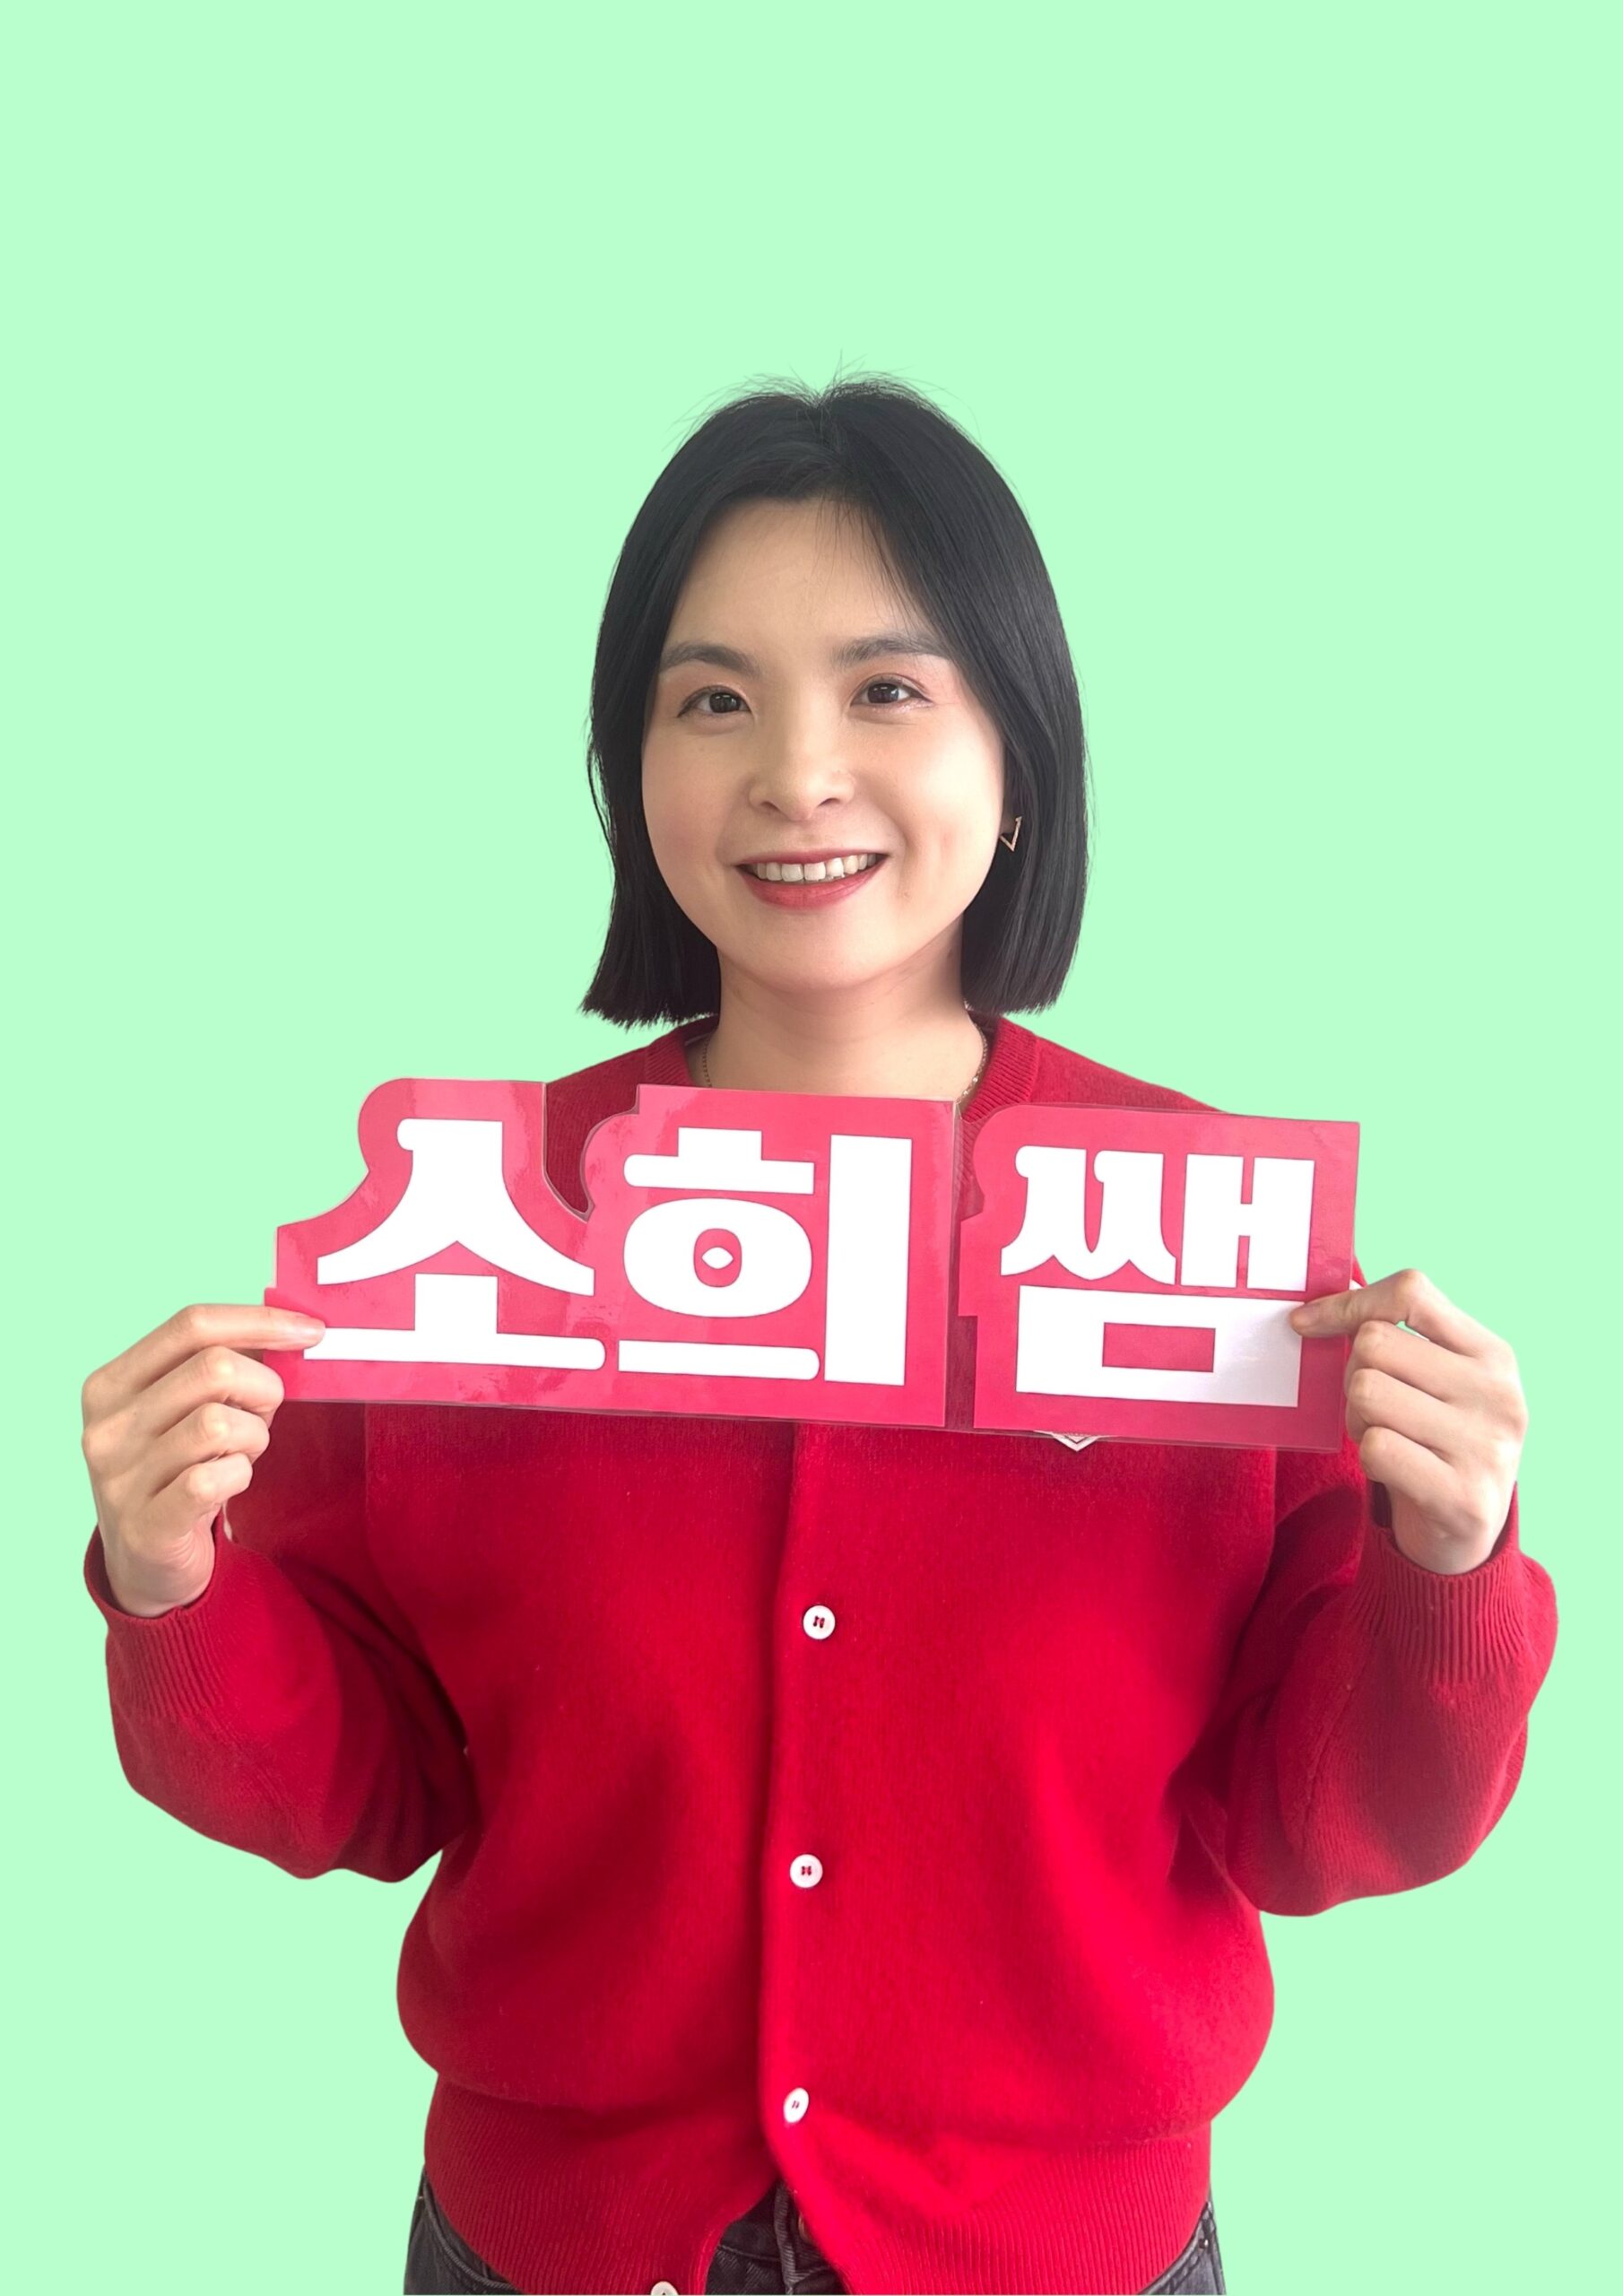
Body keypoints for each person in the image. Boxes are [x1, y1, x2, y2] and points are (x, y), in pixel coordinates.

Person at [78, 375, 1556, 2296]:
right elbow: (364, 1775)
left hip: (1063, 2252)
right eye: (711, 699)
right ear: (631, 773)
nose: (795, 771)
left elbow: (1326, 1821)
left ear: (1017, 759)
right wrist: (172, 1575)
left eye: (886, 689)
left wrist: (1444, 1563)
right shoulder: (474, 1231)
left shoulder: (1212, 1255)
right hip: (552, 2243)